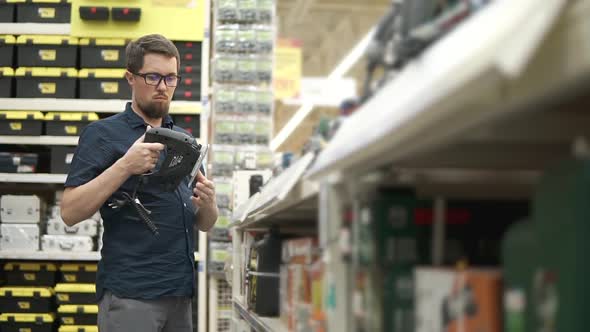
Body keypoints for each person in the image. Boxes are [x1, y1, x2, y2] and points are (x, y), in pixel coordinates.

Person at [60, 34, 218, 332]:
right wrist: (125, 166)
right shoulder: (103, 135)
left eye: (170, 78)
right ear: (130, 78)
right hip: (131, 294)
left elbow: (205, 223)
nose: (163, 87)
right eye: (153, 76)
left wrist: (209, 205)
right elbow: (69, 211)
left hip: (181, 294)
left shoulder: (185, 141)